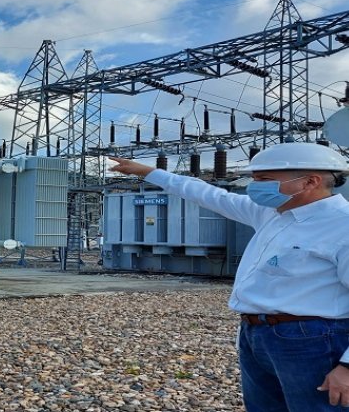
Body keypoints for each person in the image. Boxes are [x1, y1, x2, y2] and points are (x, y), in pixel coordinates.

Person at [108, 142, 349, 411]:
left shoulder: (342, 225)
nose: (254, 186)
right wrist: (149, 172)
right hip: (256, 334)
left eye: (264, 179)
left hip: (313, 340)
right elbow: (208, 194)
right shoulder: (272, 214)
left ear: (310, 182)